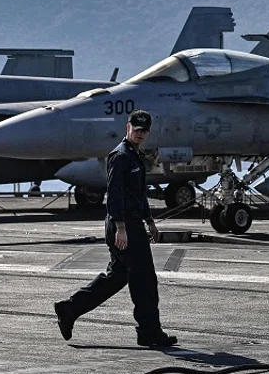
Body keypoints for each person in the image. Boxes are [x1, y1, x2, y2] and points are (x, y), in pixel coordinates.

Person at [53, 109, 178, 348]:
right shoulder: (120, 156)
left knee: (117, 276)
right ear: (127, 128)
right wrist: (121, 228)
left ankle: (69, 308)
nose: (140, 134)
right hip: (123, 226)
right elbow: (114, 194)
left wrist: (149, 221)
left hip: (131, 225)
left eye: (144, 131)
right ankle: (149, 332)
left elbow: (138, 195)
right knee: (144, 281)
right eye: (136, 129)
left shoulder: (135, 156)